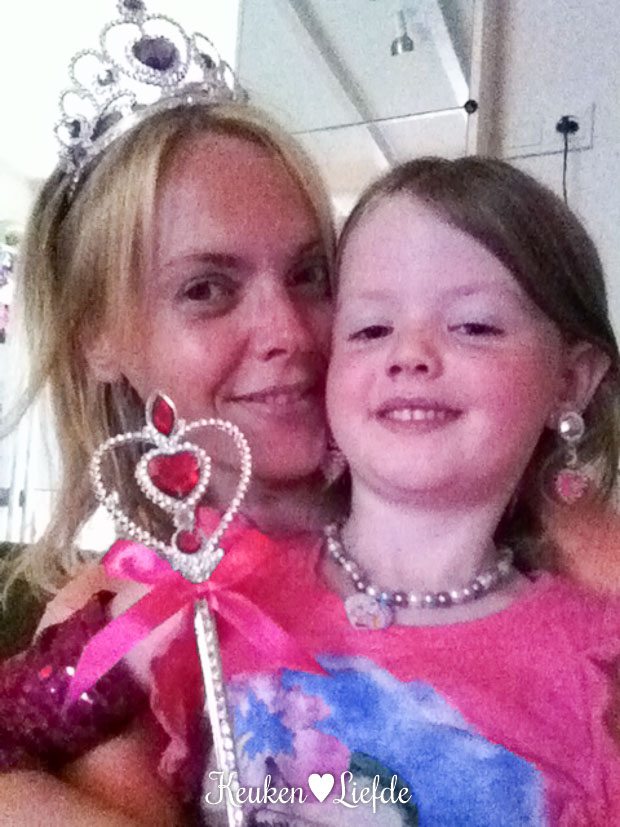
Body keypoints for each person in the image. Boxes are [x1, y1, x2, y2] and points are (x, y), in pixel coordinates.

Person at [0, 2, 337, 820]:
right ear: (99, 338)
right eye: (207, 288)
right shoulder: (120, 619)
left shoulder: (494, 527)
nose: (289, 332)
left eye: (310, 274)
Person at [207, 157, 619, 825]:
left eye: (475, 326)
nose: (410, 354)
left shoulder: (598, 663)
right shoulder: (219, 592)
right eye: (371, 329)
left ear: (571, 381)